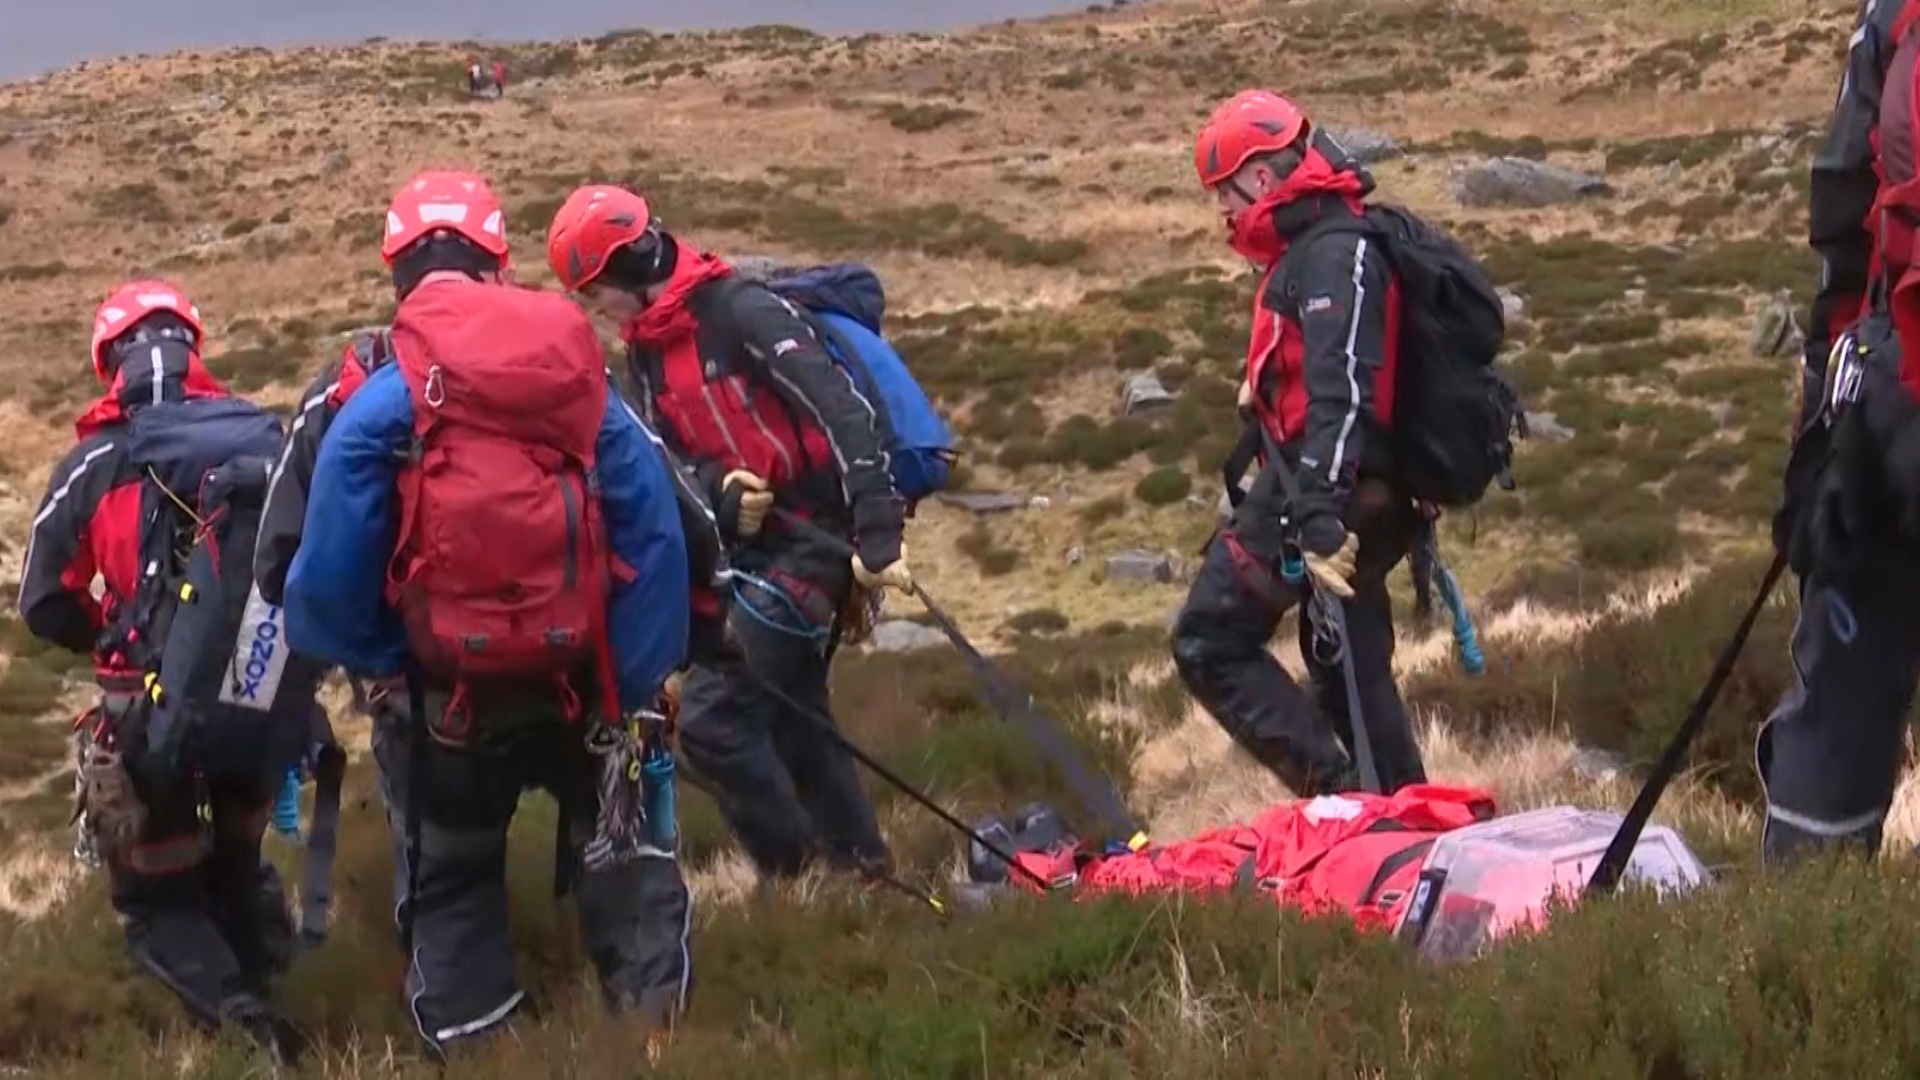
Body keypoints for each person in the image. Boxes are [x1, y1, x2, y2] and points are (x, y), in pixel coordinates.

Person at [281, 170, 698, 1058]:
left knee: (455, 880)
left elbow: (299, 579)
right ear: (499, 261)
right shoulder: (573, 370)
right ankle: (657, 1039)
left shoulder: (355, 386)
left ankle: (487, 1052)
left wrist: (389, 660)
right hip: (585, 683)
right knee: (623, 862)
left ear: (397, 267)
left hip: (441, 706)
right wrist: (631, 673)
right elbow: (663, 521)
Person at [545, 183, 913, 884]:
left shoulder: (739, 310)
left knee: (713, 724)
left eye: (595, 291)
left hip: (816, 542)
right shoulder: (646, 349)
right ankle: (864, 873)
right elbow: (668, 456)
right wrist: (719, 490)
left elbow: (839, 407)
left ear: (626, 269)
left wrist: (876, 529)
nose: (595, 310)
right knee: (796, 714)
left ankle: (800, 876)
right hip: (751, 554)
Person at [19, 279, 311, 1061]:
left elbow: (42, 602)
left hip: (144, 718)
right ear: (195, 350)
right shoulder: (261, 440)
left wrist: (115, 634)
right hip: (261, 700)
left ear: (107, 362)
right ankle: (315, 1006)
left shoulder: (93, 465)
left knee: (158, 895)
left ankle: (250, 1035)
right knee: (241, 866)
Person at [1169, 90, 1428, 797]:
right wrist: (1267, 384)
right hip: (1354, 487)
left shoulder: (1331, 253)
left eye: (1221, 191)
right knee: (1347, 663)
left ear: (1257, 177)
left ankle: (1342, 799)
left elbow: (1343, 384)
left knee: (1208, 640)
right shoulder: (1324, 241)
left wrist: (1318, 514)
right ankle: (1405, 817)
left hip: (1322, 491)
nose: (1220, 209)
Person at [1760, 0, 1920, 864]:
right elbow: (1849, 221)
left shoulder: (1889, 18)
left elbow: (1843, 217)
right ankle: (1814, 965)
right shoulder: (1892, 19)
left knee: (1835, 720)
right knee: (1836, 719)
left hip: (1885, 413)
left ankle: (1801, 955)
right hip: (1888, 408)